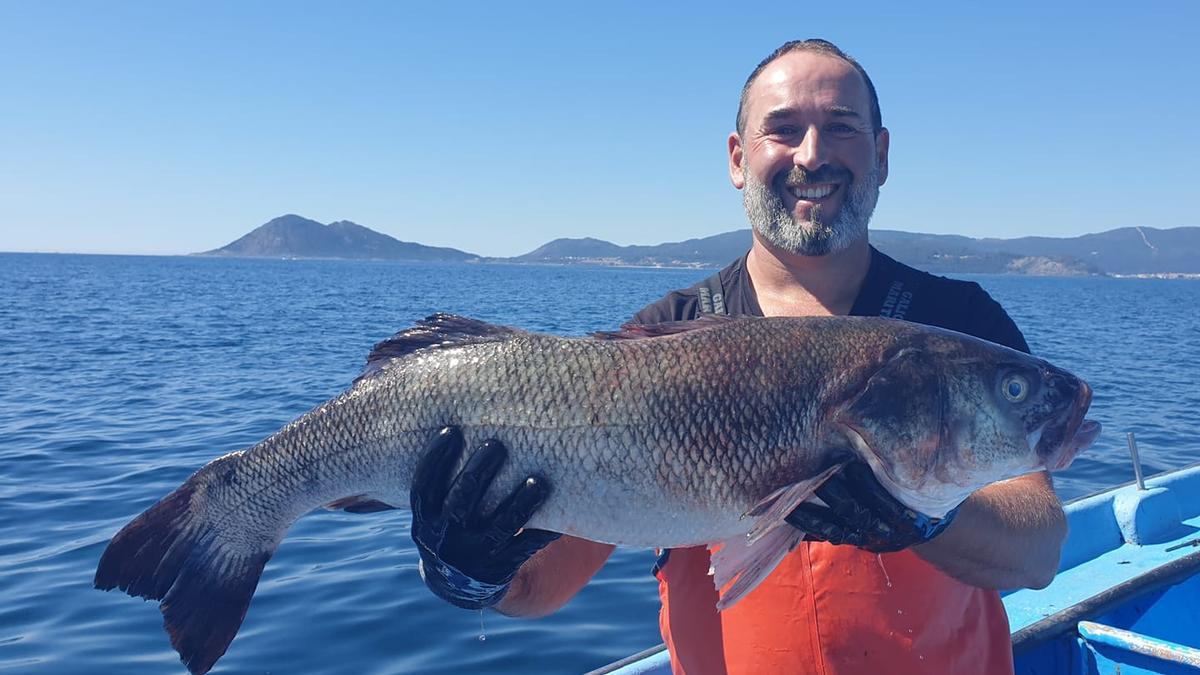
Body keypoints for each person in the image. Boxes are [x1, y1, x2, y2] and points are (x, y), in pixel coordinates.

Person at [409, 39, 1067, 675]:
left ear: (882, 154)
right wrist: (469, 568)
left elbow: (1036, 547)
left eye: (841, 127)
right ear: (736, 157)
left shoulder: (955, 328)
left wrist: (926, 514)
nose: (813, 154)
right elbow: (546, 585)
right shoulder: (663, 338)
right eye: (783, 129)